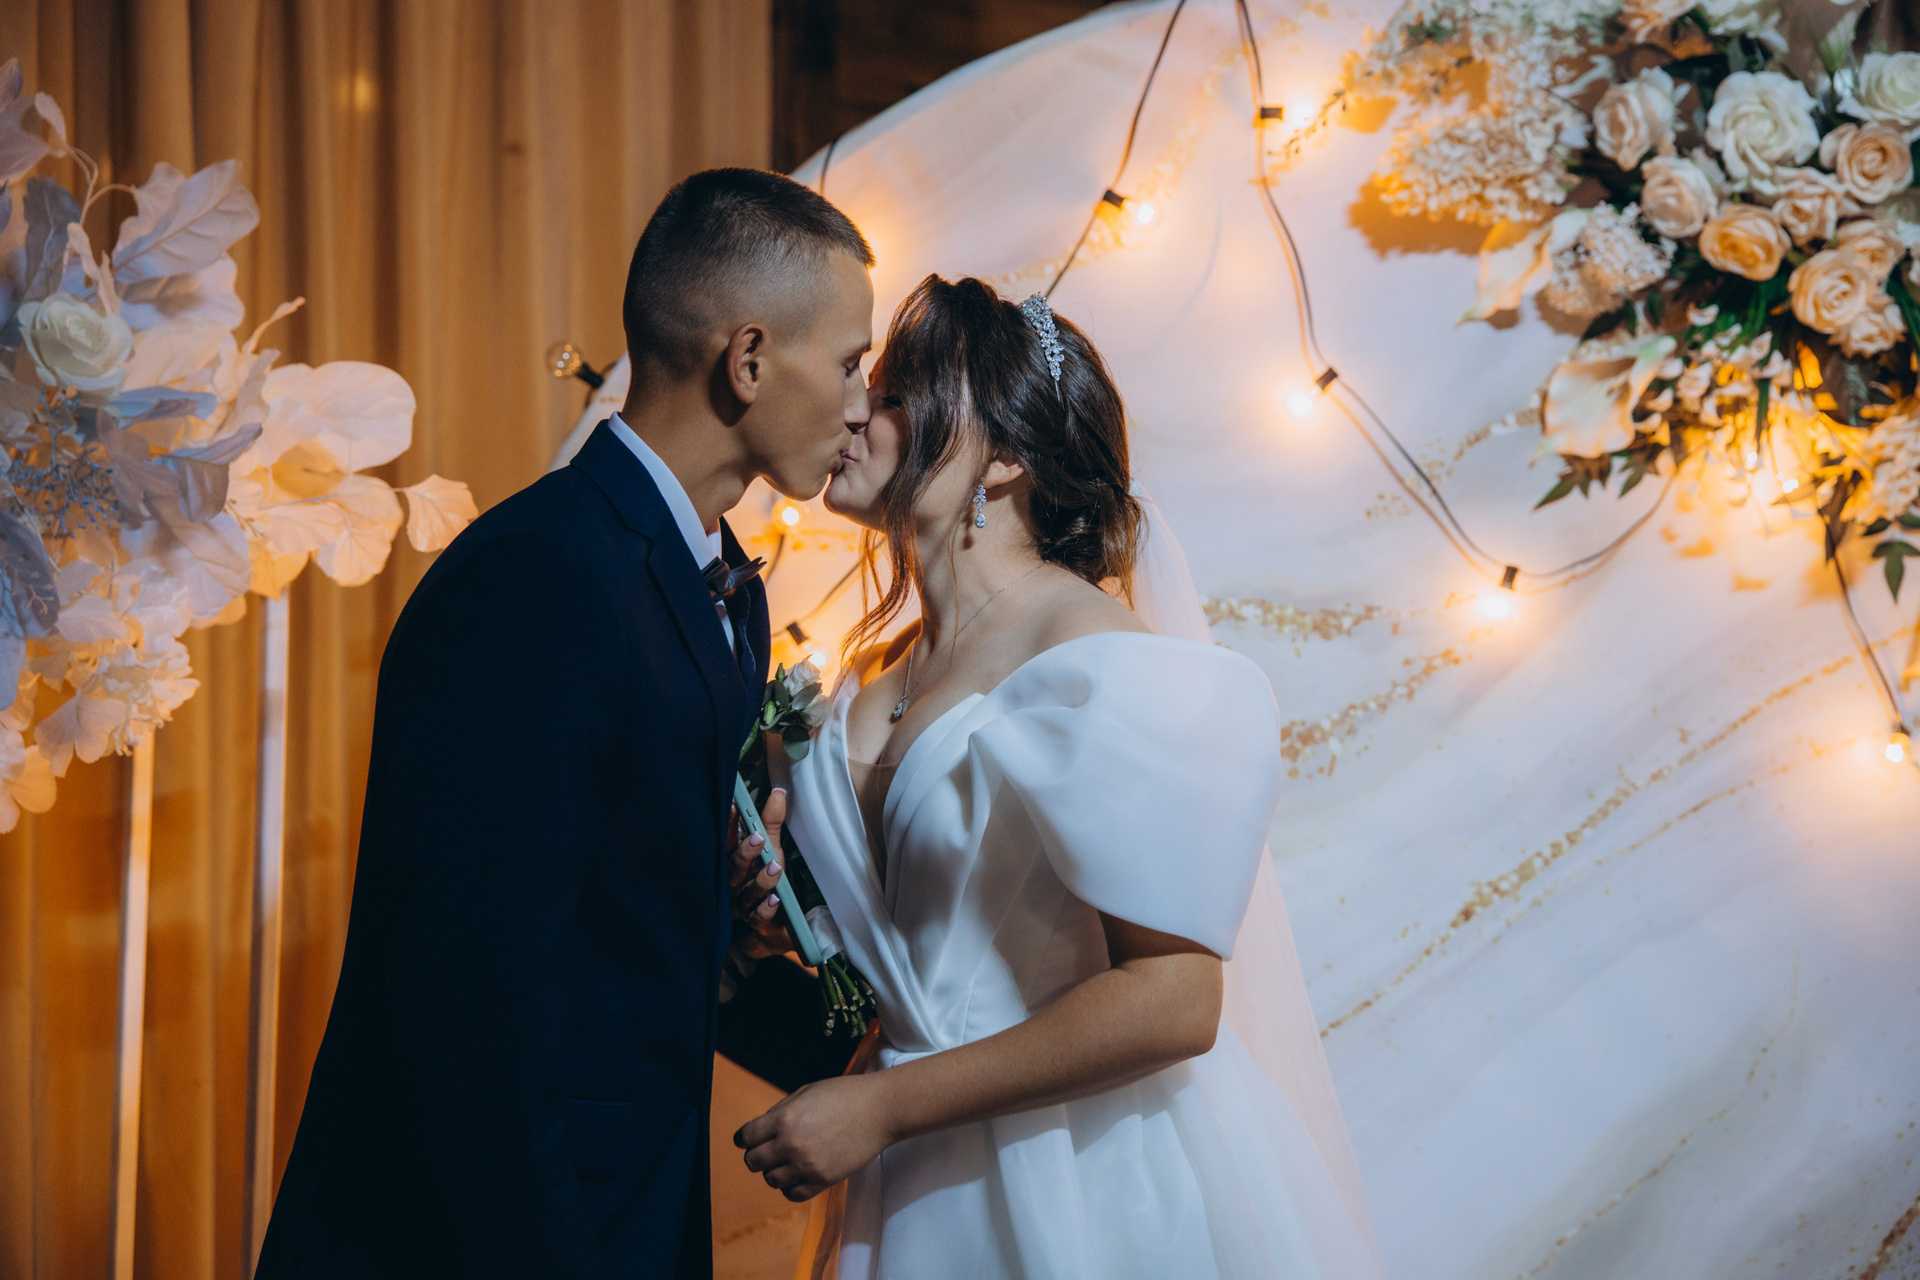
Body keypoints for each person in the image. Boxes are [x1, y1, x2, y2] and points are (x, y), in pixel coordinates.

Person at [256, 168, 870, 1280]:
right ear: (747, 359)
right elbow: (470, 1008)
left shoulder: (727, 583)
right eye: (848, 363)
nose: (862, 403)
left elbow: (612, 906)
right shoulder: (537, 581)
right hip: (491, 1232)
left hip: (635, 1197)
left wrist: (730, 935)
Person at [734, 276, 1386, 1278]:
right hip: (909, 1181)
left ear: (1003, 458)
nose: (857, 409)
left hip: (1084, 1178)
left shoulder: (1106, 667)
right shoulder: (870, 675)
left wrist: (884, 1104)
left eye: (898, 395)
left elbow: (1176, 998)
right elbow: (926, 945)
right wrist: (784, 918)